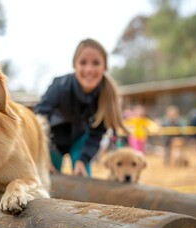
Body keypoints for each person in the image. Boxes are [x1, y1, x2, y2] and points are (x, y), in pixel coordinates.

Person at [34, 38, 128, 177]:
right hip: (51, 140)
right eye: (83, 62)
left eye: (96, 63)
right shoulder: (60, 86)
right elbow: (38, 119)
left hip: (79, 139)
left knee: (83, 175)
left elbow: (96, 134)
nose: (89, 69)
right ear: (75, 66)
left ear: (105, 67)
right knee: (48, 177)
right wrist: (43, 156)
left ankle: (81, 165)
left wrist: (83, 160)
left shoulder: (105, 96)